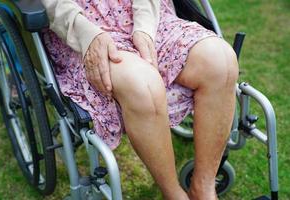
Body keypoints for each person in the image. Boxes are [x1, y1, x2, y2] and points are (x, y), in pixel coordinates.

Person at [41, 0, 239, 199]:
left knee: (221, 62)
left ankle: (203, 186)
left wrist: (144, 28)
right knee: (142, 87)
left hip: (149, 17)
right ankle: (174, 194)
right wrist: (86, 34)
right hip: (84, 30)